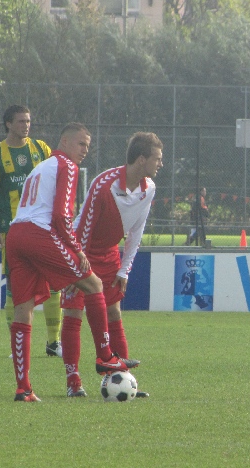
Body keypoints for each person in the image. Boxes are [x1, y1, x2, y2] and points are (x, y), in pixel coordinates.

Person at [5, 122, 139, 402]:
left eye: (88, 146)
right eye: (81, 144)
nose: (84, 151)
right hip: (38, 233)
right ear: (64, 142)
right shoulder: (66, 166)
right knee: (93, 284)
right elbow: (61, 216)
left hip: (16, 234)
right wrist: (76, 249)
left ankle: (24, 388)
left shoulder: (42, 166)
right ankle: (105, 357)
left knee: (23, 310)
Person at [60, 132, 163, 398]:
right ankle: (73, 383)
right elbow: (83, 228)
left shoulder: (149, 188)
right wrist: (75, 266)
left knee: (114, 311)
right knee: (74, 312)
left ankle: (124, 380)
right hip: (81, 250)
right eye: (157, 158)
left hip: (109, 254)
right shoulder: (103, 185)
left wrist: (124, 269)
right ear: (141, 159)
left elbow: (136, 232)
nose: (160, 164)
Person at [0, 105, 63, 358]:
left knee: (52, 284)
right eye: (20, 121)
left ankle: (54, 342)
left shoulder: (41, 149)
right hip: (12, 231)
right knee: (15, 288)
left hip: (43, 228)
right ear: (8, 124)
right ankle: (15, 345)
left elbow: (56, 184)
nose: (26, 125)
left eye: (28, 121)